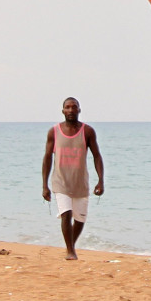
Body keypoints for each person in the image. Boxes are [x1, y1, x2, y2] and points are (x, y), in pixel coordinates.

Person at [42, 97, 104, 259]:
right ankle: (71, 251)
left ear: (79, 110)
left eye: (74, 107)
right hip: (60, 181)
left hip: (80, 183)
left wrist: (100, 180)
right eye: (67, 107)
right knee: (66, 214)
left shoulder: (87, 131)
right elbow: (47, 157)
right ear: (63, 111)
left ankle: (70, 246)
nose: (71, 110)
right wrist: (44, 185)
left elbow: (97, 156)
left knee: (80, 219)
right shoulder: (54, 132)